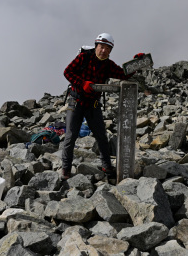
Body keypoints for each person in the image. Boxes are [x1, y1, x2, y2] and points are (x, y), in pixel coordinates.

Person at [61, 33, 143, 180]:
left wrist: (136, 62)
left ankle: (106, 166)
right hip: (76, 102)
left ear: (110, 51)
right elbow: (67, 72)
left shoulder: (108, 65)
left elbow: (123, 74)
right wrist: (82, 83)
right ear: (96, 46)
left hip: (93, 104)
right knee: (71, 136)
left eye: (107, 48)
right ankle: (66, 169)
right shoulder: (83, 58)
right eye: (101, 47)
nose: (103, 51)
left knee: (101, 136)